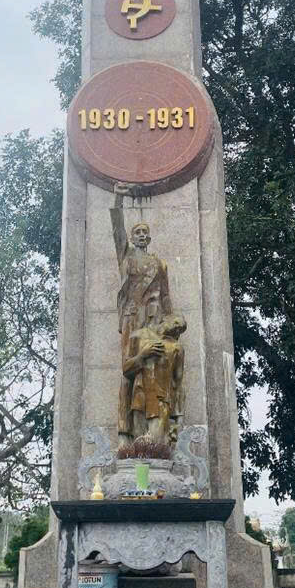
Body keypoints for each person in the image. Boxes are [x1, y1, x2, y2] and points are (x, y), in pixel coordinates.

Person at [111, 183, 172, 445]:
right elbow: (116, 228)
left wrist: (170, 324)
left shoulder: (159, 264)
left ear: (150, 237)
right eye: (137, 232)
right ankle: (124, 433)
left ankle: (151, 432)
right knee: (128, 370)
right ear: (132, 237)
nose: (142, 235)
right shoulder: (125, 256)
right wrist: (118, 197)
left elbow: (166, 297)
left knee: (151, 370)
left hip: (153, 321)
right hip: (131, 317)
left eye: (145, 232)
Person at [122, 313, 187, 444]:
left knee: (156, 443)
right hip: (139, 397)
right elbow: (126, 369)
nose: (177, 328)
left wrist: (178, 418)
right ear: (165, 319)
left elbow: (178, 383)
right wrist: (142, 355)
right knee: (138, 443)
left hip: (161, 400)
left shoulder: (176, 348)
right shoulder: (139, 336)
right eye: (176, 323)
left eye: (181, 329)